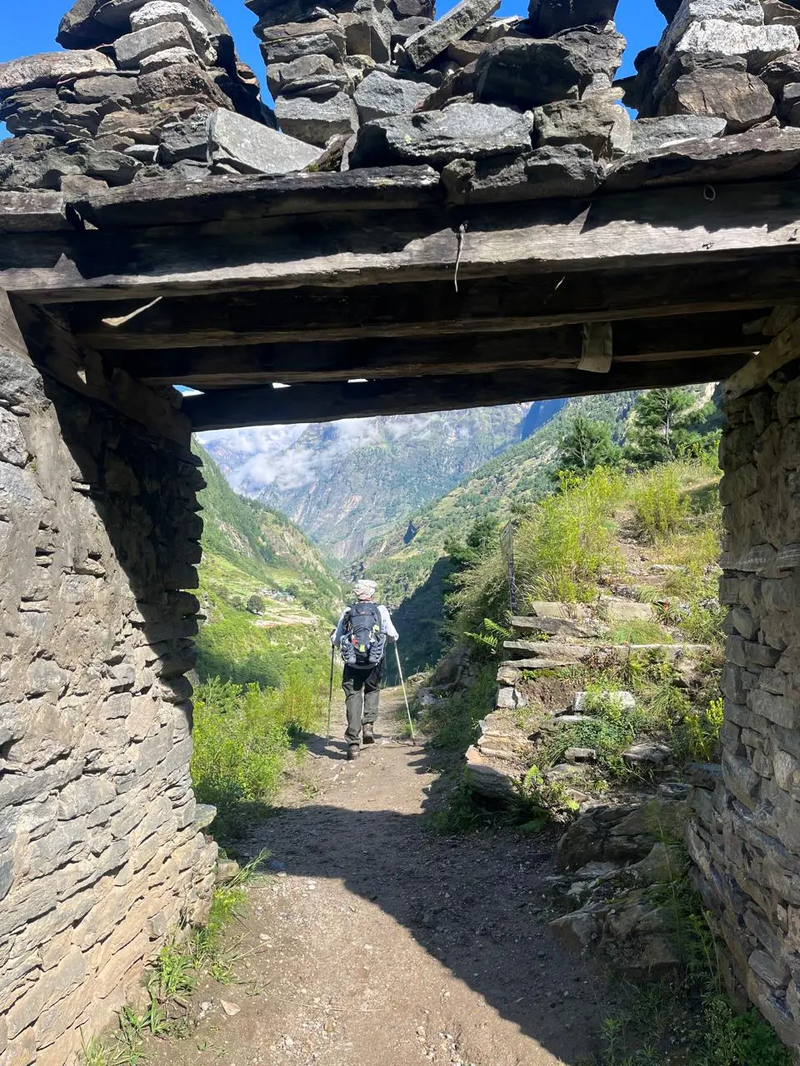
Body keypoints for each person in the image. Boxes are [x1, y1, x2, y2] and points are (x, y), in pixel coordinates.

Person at [331, 579, 398, 760]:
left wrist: (336, 641)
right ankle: (368, 725)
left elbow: (337, 640)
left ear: (357, 594)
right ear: (371, 594)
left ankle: (353, 743)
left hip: (352, 662)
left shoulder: (347, 612)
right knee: (372, 689)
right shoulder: (380, 610)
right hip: (374, 662)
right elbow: (392, 635)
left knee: (353, 696)